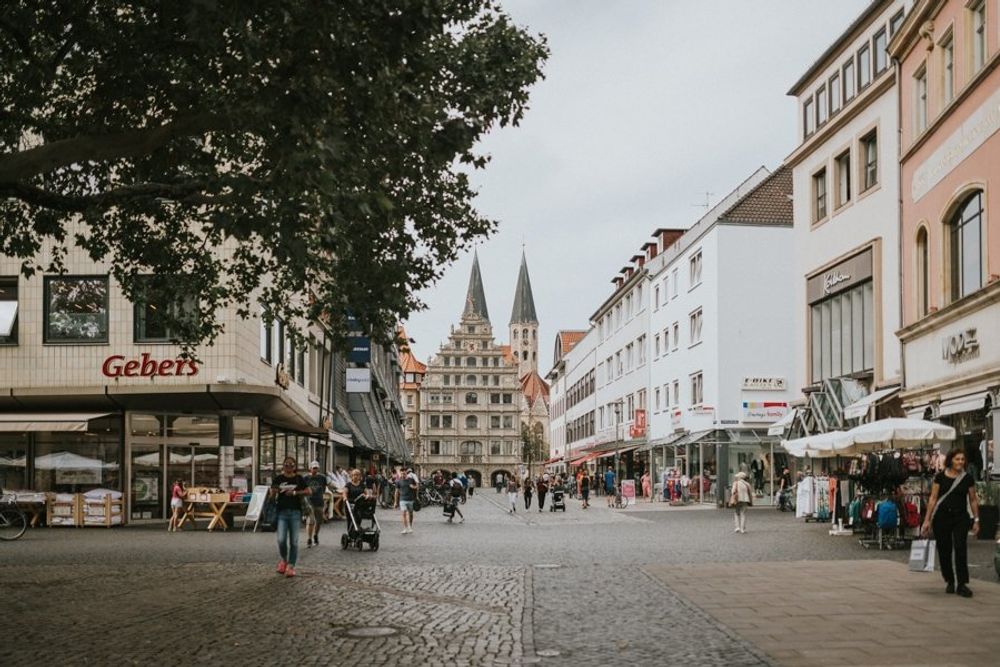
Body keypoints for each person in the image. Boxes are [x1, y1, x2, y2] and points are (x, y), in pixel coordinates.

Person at [922, 448, 980, 598]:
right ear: (951, 460)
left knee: (961, 547)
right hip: (942, 517)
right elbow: (933, 499)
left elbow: (973, 499)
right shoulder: (940, 477)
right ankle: (949, 579)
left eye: (962, 459)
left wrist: (976, 519)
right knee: (944, 549)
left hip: (961, 517)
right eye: (957, 459)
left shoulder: (967, 478)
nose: (960, 462)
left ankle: (962, 584)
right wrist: (927, 520)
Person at [270, 456, 310, 578]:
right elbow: (271, 496)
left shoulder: (298, 479)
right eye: (286, 465)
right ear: (283, 466)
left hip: (295, 512)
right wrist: (273, 492)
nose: (289, 467)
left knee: (294, 541)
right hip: (282, 512)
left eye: (291, 465)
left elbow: (309, 491)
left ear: (294, 466)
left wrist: (295, 492)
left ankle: (291, 566)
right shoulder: (278, 478)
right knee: (281, 540)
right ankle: (284, 559)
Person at [305, 461, 331, 548]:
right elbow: (301, 487)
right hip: (309, 501)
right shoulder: (306, 477)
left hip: (319, 501)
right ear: (310, 468)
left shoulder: (322, 477)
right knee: (311, 520)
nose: (315, 470)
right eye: (313, 468)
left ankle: (315, 535)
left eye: (316, 468)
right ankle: (309, 539)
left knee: (319, 521)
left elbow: (329, 484)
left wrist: (340, 488)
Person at [394, 465, 418, 534]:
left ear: (406, 473)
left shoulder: (411, 480)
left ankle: (410, 526)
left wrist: (413, 487)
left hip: (410, 499)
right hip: (402, 499)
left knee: (410, 514)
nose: (402, 475)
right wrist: (395, 502)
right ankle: (405, 528)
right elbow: (396, 492)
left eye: (404, 473)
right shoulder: (398, 481)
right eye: (401, 473)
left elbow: (417, 487)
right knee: (403, 513)